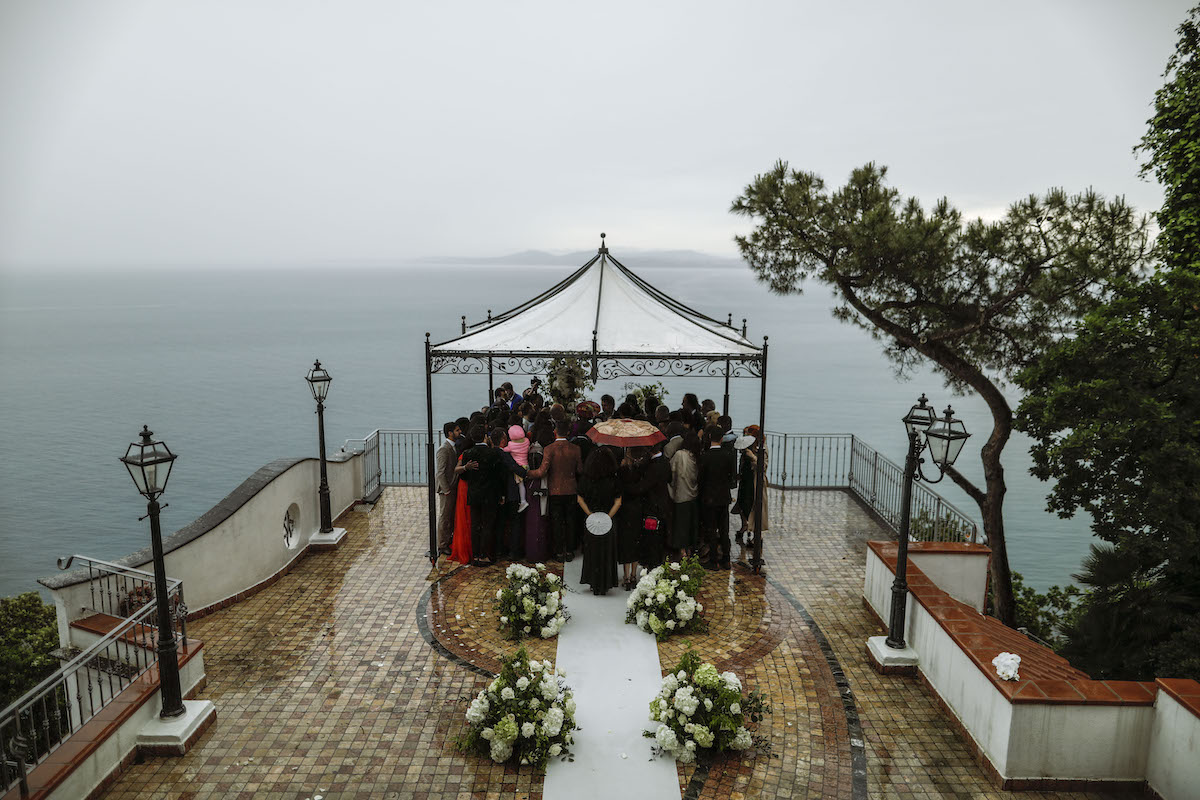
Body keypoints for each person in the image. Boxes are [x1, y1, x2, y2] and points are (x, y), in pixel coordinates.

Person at [526, 420, 583, 562]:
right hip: (571, 489)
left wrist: (527, 473)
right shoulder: (575, 448)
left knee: (557, 522)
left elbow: (541, 472)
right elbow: (580, 470)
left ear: (555, 432)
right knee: (570, 521)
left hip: (555, 490)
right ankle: (569, 551)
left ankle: (558, 552)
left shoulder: (549, 449)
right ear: (568, 432)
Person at [459, 424, 506, 566]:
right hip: (490, 494)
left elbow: (464, 477)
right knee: (488, 525)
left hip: (474, 493)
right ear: (486, 437)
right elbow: (499, 477)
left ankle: (476, 555)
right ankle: (485, 555)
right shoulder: (493, 454)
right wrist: (501, 495)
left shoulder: (468, 453)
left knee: (475, 525)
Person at [577, 448, 622, 595]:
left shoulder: (586, 479)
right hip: (608, 518)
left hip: (591, 519)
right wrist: (608, 516)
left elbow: (580, 499)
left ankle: (593, 581)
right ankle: (606, 582)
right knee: (607, 551)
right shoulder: (614, 480)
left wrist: (590, 514)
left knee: (592, 551)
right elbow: (618, 501)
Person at [628, 439, 672, 569]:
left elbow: (642, 487)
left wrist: (627, 488)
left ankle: (653, 565)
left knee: (652, 539)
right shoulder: (665, 461)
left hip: (653, 507)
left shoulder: (654, 466)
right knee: (658, 538)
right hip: (663, 504)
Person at [698, 424, 736, 570]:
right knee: (724, 530)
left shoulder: (705, 456)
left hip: (709, 499)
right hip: (723, 498)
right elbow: (732, 477)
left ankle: (713, 561)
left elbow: (701, 479)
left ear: (709, 438)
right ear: (721, 439)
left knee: (711, 530)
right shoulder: (728, 455)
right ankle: (726, 559)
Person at [739, 425, 769, 568]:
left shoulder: (762, 449)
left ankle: (758, 537)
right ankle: (747, 528)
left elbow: (763, 466)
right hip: (748, 482)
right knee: (746, 505)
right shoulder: (747, 448)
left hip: (757, 483)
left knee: (757, 509)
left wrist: (752, 456)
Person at [668, 429, 701, 557]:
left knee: (681, 524)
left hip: (681, 494)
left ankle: (682, 549)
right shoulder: (697, 457)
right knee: (691, 523)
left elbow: (671, 471)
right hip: (694, 494)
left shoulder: (680, 455)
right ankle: (689, 548)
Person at [617, 447, 646, 590]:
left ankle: (626, 576)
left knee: (626, 542)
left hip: (625, 509)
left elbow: (619, 489)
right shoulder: (640, 470)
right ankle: (634, 574)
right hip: (637, 508)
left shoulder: (621, 471)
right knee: (636, 540)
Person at [523, 427, 553, 563]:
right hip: (540, 485)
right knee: (539, 520)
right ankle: (539, 552)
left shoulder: (532, 449)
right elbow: (541, 472)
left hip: (531, 486)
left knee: (533, 520)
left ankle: (533, 551)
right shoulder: (540, 452)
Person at [435, 421, 462, 556]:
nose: (459, 432)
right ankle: (442, 545)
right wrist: (446, 490)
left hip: (452, 487)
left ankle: (447, 540)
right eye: (457, 430)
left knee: (449, 515)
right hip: (446, 489)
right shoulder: (444, 449)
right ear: (450, 433)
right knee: (444, 516)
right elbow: (440, 472)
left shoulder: (453, 447)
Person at [503, 424, 531, 513]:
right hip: (525, 465)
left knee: (520, 485)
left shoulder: (511, 445)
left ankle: (523, 501)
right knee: (522, 484)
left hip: (518, 466)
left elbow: (505, 450)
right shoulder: (526, 441)